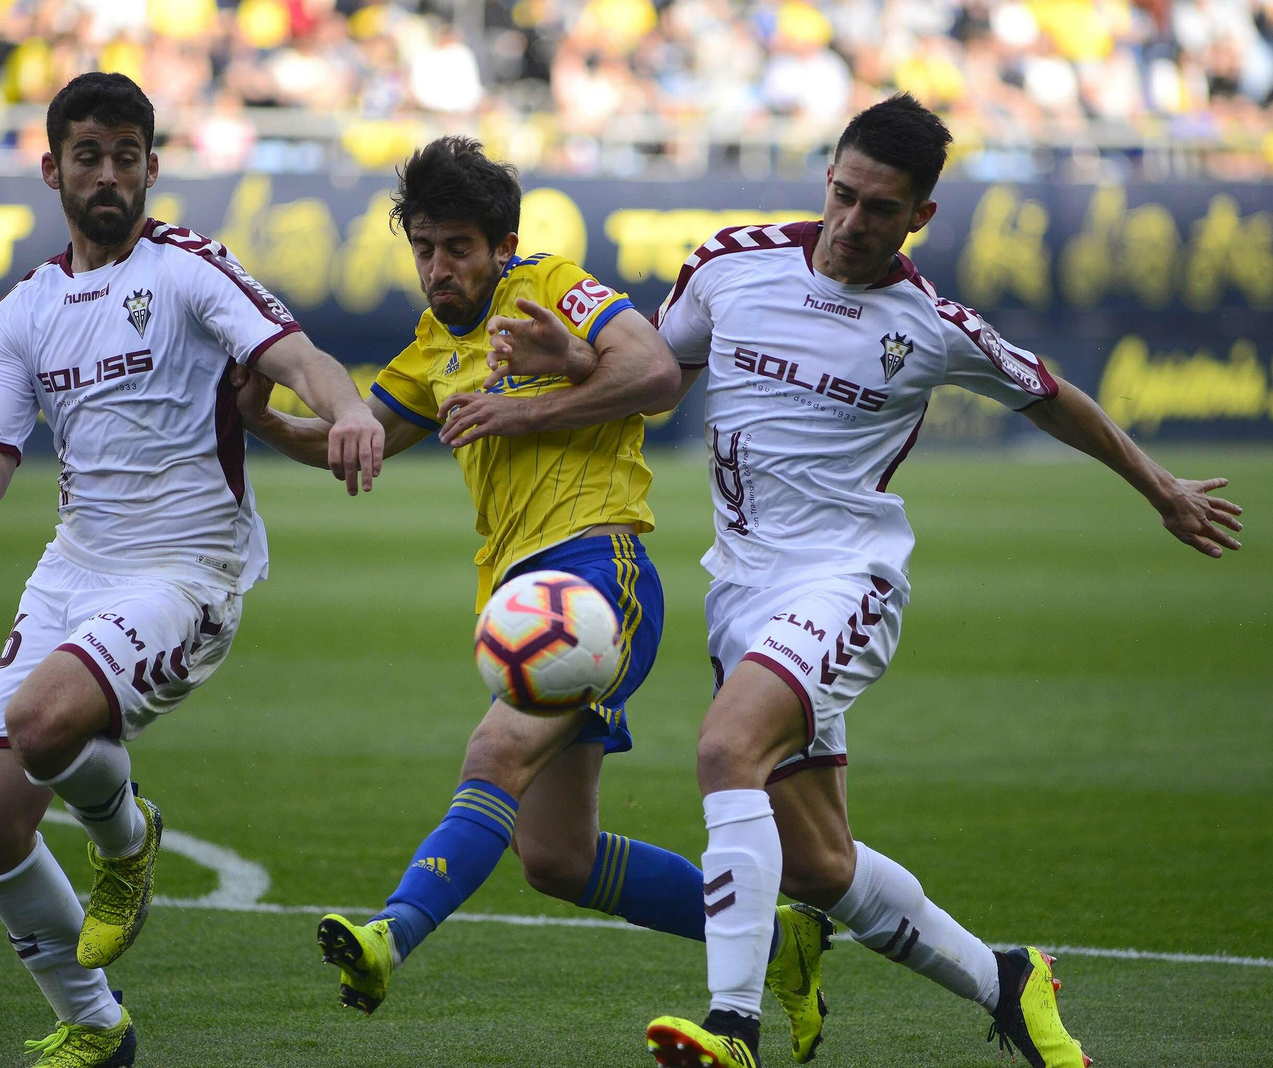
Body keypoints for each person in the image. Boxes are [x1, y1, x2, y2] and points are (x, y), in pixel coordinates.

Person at [484, 94, 1244, 1068]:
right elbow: (665, 374)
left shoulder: (928, 324)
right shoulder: (731, 261)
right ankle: (1006, 981)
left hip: (848, 584)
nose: (850, 223)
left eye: (877, 210)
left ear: (917, 218)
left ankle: (730, 1029)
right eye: (841, 195)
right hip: (743, 596)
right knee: (817, 864)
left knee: (724, 752)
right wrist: (574, 358)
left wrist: (1159, 487)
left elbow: (1052, 398)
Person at [233, 135, 836, 1062]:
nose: (440, 268)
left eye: (459, 248)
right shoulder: (436, 346)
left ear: (502, 243)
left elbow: (657, 376)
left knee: (494, 749)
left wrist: (521, 406)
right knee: (557, 857)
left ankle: (390, 936)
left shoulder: (553, 286)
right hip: (528, 595)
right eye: (426, 248)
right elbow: (356, 437)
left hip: (599, 571)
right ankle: (775, 939)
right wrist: (266, 423)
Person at [0, 72, 383, 1068]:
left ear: (151, 166)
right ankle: (98, 1025)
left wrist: (345, 408)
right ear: (52, 168)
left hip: (188, 572)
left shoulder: (188, 269)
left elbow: (295, 353)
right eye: (87, 156)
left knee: (42, 722)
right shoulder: (24, 312)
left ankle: (124, 834)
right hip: (74, 569)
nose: (108, 175)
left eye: (127, 157)